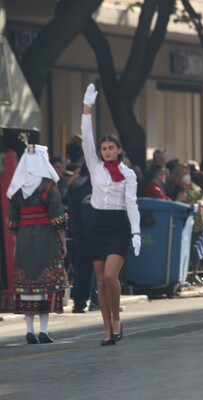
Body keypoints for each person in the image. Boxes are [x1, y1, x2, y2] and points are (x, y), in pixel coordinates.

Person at [81, 83, 141, 346]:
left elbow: (132, 204)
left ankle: (117, 319)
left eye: (110, 148)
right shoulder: (95, 167)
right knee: (100, 282)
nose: (106, 151)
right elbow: (86, 138)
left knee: (109, 276)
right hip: (96, 223)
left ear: (118, 149)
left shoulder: (128, 174)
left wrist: (136, 232)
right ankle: (107, 328)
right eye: (103, 148)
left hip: (117, 225)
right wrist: (86, 108)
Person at [6, 143, 69, 344]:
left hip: (25, 238)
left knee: (27, 284)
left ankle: (29, 330)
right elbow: (57, 219)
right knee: (45, 284)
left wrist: (17, 244)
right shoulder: (49, 186)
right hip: (45, 238)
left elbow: (13, 222)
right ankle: (43, 330)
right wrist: (63, 242)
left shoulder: (17, 188)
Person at [69, 164, 99, 313]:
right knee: (99, 270)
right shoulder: (100, 191)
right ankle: (95, 300)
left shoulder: (79, 190)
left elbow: (73, 215)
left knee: (83, 270)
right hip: (96, 236)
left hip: (83, 236)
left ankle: (80, 302)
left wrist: (76, 232)